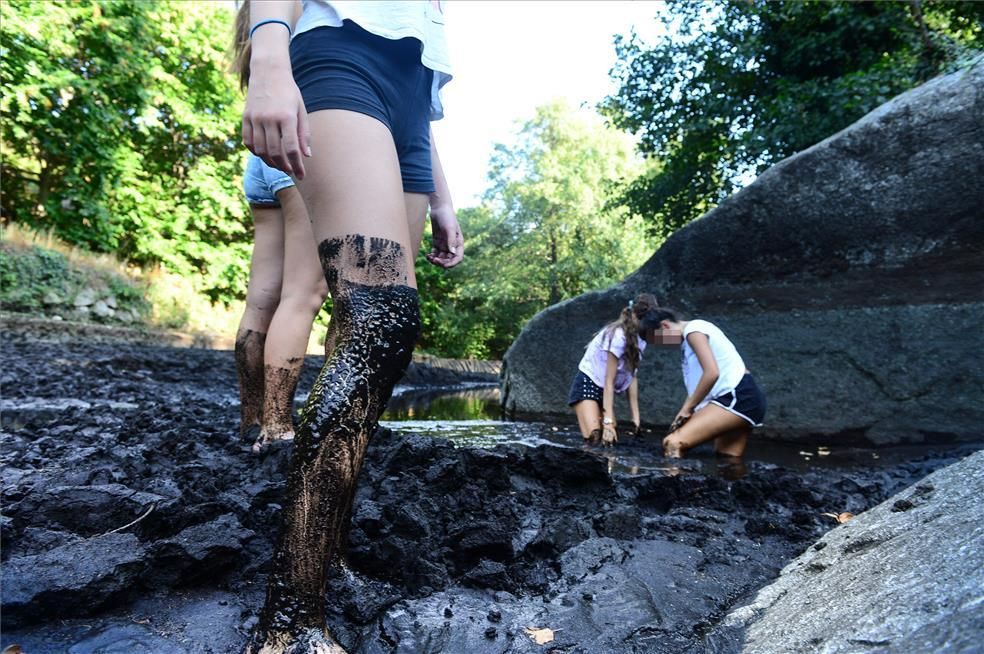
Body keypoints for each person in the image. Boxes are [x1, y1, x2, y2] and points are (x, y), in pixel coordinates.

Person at [240, 1, 463, 651]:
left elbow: (420, 44)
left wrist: (443, 194)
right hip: (339, 57)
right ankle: (289, 618)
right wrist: (270, 61)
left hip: (413, 94)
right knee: (381, 318)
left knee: (366, 337)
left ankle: (323, 549)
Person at [232, 2, 329, 455]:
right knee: (302, 295)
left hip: (260, 160)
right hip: (297, 150)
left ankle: (251, 421)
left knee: (261, 301)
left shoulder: (257, 24)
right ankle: (276, 426)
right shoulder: (306, 18)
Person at [644, 308, 766, 459]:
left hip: (737, 397)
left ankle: (672, 482)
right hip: (744, 399)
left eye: (659, 340)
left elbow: (712, 373)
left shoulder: (694, 330)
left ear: (665, 326)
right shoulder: (691, 337)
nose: (663, 345)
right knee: (727, 459)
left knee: (673, 442)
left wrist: (686, 408)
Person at [569, 293, 659, 446]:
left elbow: (632, 376)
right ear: (635, 316)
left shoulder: (642, 338)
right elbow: (609, 381)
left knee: (610, 442)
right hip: (589, 384)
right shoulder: (618, 335)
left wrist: (635, 418)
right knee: (595, 439)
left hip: (605, 391)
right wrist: (608, 420)